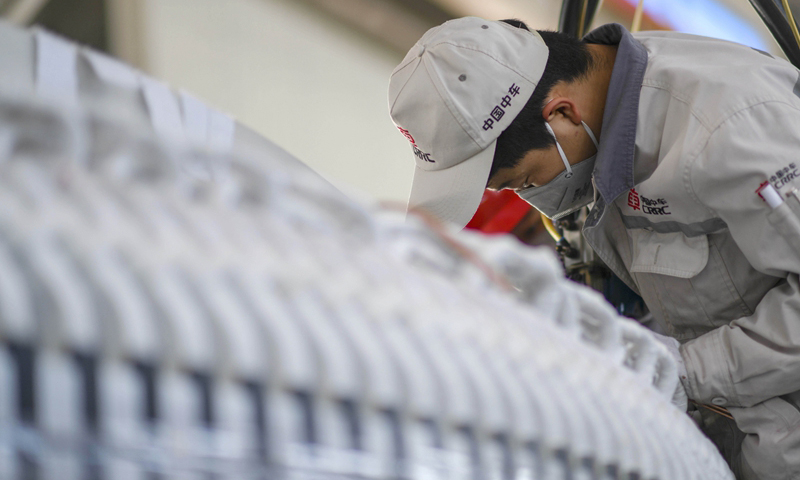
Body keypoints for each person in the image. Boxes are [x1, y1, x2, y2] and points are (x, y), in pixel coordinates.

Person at [387, 16, 800, 479]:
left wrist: (680, 371)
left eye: (522, 181)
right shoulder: (610, 110)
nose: (529, 196)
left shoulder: (731, 129)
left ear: (562, 115)